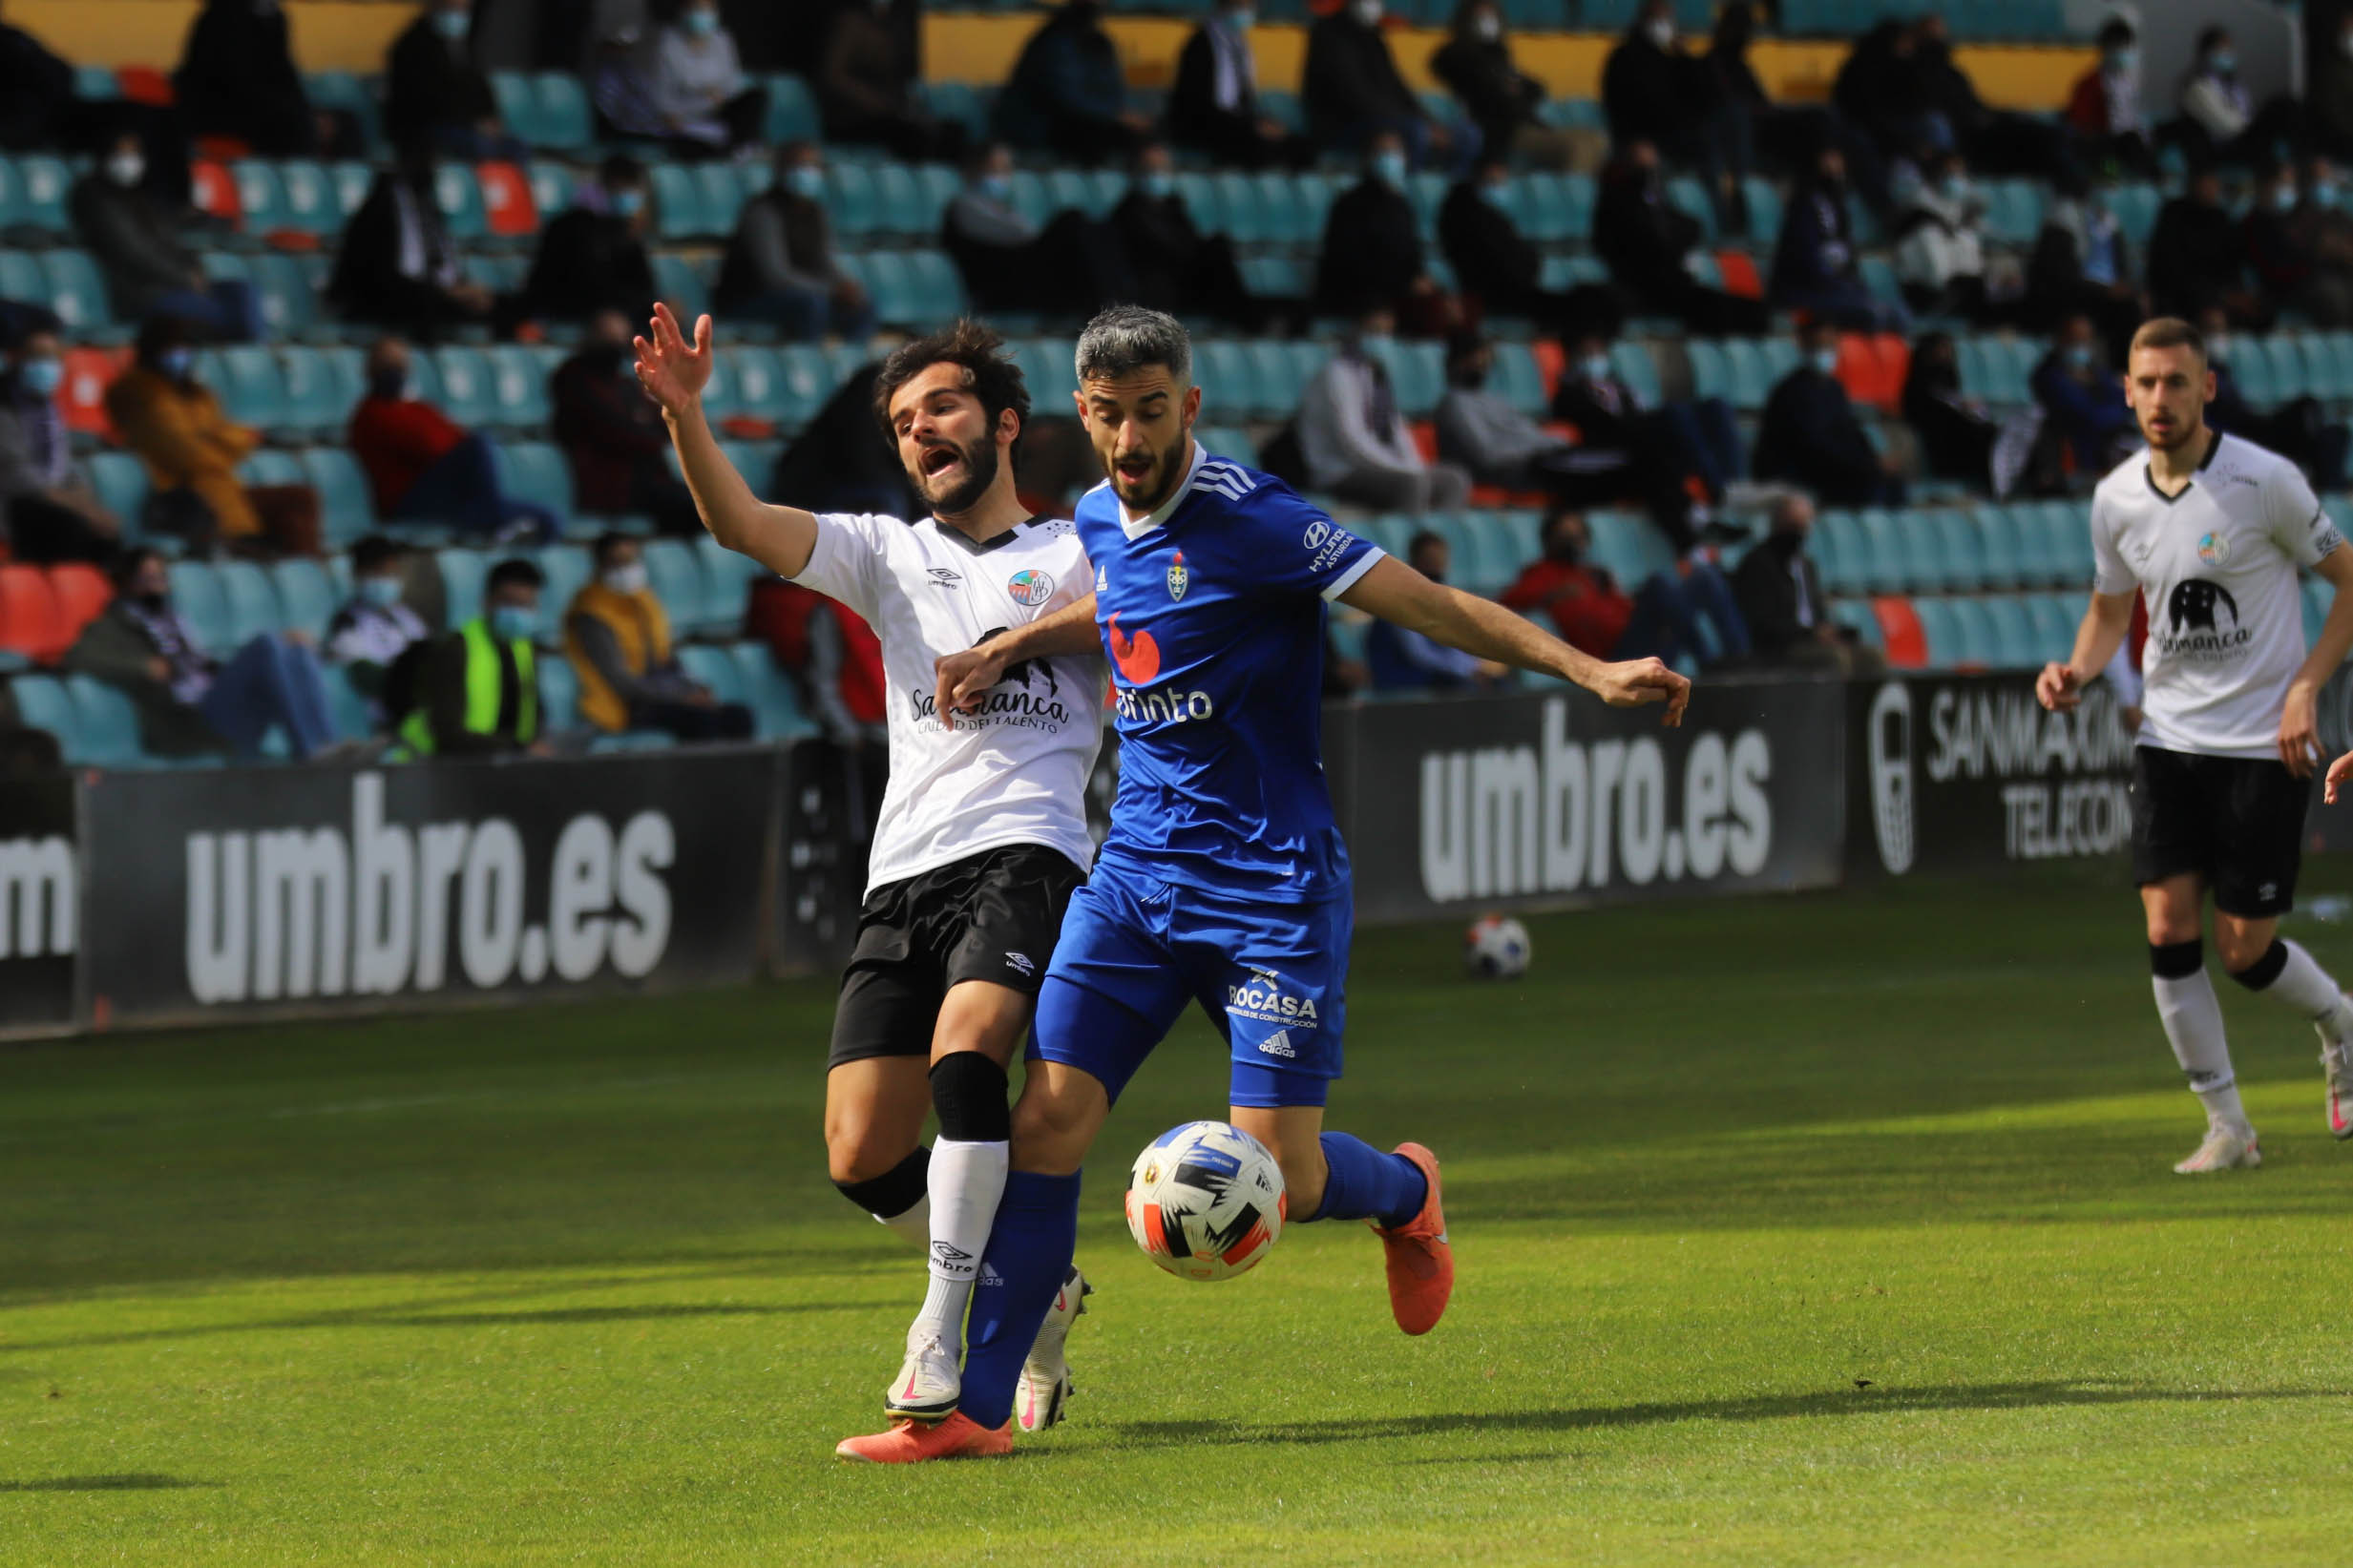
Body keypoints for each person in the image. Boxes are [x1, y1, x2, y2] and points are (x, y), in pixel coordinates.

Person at [860, 303, 1689, 1463]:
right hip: (1135, 881)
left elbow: (1427, 602)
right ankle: (974, 1411)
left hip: (1269, 889)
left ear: (1187, 405)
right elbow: (1118, 594)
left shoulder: (1262, 522)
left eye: (1151, 412)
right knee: (1043, 1121)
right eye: (1108, 417)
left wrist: (1587, 667)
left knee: (1285, 1179)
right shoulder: (1096, 513)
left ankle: (1402, 1191)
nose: (1129, 439)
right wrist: (1007, 645)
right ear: (1081, 418)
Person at [633, 304, 1112, 1445]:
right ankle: (1034, 1291)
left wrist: (1010, 644)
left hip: (1029, 847)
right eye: (902, 420)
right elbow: (741, 524)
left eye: (940, 406)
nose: (919, 430)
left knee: (967, 1054)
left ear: (1004, 423)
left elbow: (1151, 603)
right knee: (858, 1151)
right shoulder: (884, 551)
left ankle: (939, 1333)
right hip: (905, 871)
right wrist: (689, 415)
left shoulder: (1078, 548)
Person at [2036, 315, 2353, 1173]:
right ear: (2126, 391)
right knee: (2168, 925)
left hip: (2261, 747)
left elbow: (2348, 581)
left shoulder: (2264, 482)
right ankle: (2228, 1127)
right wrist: (2073, 669)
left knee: (2244, 948)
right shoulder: (2116, 499)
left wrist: (2304, 687)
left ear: (2207, 387)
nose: (2159, 399)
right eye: (2144, 383)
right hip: (2169, 742)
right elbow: (2109, 610)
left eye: (2176, 381)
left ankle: (2339, 1022)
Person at [66, 547, 342, 761]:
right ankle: (311, 752)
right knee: (267, 644)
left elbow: (202, 665)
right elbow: (77, 658)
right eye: (145, 578)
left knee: (297, 650)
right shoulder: (113, 625)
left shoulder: (175, 618)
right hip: (189, 721)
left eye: (160, 578)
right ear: (125, 583)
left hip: (215, 700)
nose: (155, 585)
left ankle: (328, 748)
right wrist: (141, 666)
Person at [107, 317, 321, 554]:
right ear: (152, 350)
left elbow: (233, 436)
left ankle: (305, 576)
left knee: (299, 500)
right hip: (184, 496)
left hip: (225, 490)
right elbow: (184, 452)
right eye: (172, 348)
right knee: (271, 529)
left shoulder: (196, 393)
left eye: (185, 347)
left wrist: (215, 442)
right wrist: (218, 445)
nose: (180, 354)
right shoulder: (142, 395)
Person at [350, 338, 558, 544]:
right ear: (368, 370)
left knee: (547, 518)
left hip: (455, 497)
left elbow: (453, 438)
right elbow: (431, 446)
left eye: (398, 364)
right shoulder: (368, 414)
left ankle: (492, 519)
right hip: (408, 500)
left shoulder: (419, 408)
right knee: (479, 446)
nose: (392, 371)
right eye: (385, 364)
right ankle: (492, 518)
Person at [1550, 334, 1744, 549]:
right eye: (1587, 354)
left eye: (1598, 353)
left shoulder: (1623, 388)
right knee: (1672, 418)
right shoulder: (1570, 394)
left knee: (1716, 406)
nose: (1594, 359)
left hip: (1648, 444)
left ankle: (1732, 485)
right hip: (1619, 446)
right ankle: (1716, 493)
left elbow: (1642, 410)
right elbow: (1606, 426)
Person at [1499, 508, 1750, 671]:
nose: (1574, 543)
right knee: (1658, 584)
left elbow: (1622, 612)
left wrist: (1620, 595)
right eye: (1565, 536)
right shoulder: (1542, 574)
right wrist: (1550, 595)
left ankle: (1739, 657)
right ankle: (1706, 661)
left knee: (1704, 575)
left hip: (1643, 646)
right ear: (1549, 540)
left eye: (1578, 536)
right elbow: (1508, 601)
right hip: (1614, 662)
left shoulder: (1594, 574)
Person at [71, 133, 263, 343]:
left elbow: (169, 240)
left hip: (173, 284)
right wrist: (183, 277)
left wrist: (193, 267)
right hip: (140, 291)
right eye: (123, 153)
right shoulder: (95, 196)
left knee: (239, 292)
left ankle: (247, 352)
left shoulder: (139, 196)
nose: (129, 160)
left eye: (134, 153)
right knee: (222, 315)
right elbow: (133, 252)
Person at [563, 532, 752, 743]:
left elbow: (665, 657)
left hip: (662, 693)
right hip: (627, 704)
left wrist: (694, 689)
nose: (627, 568)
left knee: (738, 715)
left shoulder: (644, 601)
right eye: (617, 562)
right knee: (700, 719)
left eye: (631, 560)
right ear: (600, 565)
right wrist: (681, 698)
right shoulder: (592, 613)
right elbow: (620, 680)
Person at [1590, 140, 1768, 338]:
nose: (1652, 161)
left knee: (1752, 312)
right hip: (1646, 288)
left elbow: (1683, 226)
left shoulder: (1652, 193)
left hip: (1672, 283)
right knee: (1722, 312)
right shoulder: (1618, 198)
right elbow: (1649, 239)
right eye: (1644, 158)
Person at [1297, 313, 1470, 513]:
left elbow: (1396, 430)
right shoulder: (1336, 375)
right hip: (1343, 471)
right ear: (1358, 332)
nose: (1382, 340)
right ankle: (1413, 540)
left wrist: (1413, 465)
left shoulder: (1376, 375)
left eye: (1387, 333)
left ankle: (1440, 540)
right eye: (1375, 332)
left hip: (1384, 466)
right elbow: (1353, 442)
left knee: (1454, 480)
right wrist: (1403, 468)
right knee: (1412, 483)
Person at [941, 143, 1135, 320]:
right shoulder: (963, 206)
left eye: (1006, 169)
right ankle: (1106, 307)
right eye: (994, 169)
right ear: (973, 170)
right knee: (1072, 221)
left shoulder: (1002, 207)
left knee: (1099, 230)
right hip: (1004, 287)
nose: (1002, 175)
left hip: (1026, 280)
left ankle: (1117, 302)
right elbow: (1019, 235)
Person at [1440, 157, 1625, 342]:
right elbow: (1498, 260)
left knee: (1595, 300)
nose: (1501, 184)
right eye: (1496, 178)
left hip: (1516, 290)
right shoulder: (1469, 214)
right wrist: (1527, 266)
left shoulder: (1482, 212)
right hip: (1499, 295)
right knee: (1587, 305)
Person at [553, 309, 699, 536]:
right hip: (609, 482)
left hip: (646, 476)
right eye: (609, 338)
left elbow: (663, 420)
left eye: (621, 338)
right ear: (591, 336)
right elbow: (613, 432)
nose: (616, 345)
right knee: (692, 506)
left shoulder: (623, 382)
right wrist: (648, 433)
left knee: (708, 500)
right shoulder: (573, 378)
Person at [1603, 0, 1744, 234]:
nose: (1666, 25)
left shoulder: (1670, 59)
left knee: (1722, 127)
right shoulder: (1624, 58)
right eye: (1660, 19)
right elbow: (1628, 107)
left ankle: (1727, 215)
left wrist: (1685, 58)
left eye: (1668, 19)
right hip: (1642, 138)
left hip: (1676, 137)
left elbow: (1705, 96)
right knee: (1703, 148)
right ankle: (1717, 226)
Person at [329, 146, 499, 340]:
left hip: (426, 293)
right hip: (382, 300)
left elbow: (443, 266)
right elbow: (384, 277)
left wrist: (462, 289)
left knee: (492, 304)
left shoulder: (427, 206)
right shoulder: (383, 207)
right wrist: (446, 293)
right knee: (428, 305)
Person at [715, 142, 875, 342]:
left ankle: (856, 365)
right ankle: (810, 364)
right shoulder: (763, 211)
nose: (807, 172)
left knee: (861, 305)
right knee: (812, 305)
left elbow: (825, 262)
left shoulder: (815, 212)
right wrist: (830, 290)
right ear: (781, 170)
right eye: (800, 166)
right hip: (749, 297)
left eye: (813, 166)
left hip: (804, 293)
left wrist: (843, 286)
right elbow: (776, 274)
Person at [396, 555, 549, 757]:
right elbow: (447, 732)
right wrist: (516, 748)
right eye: (509, 602)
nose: (517, 612)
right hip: (442, 766)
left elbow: (532, 711)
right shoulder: (456, 648)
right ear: (488, 602)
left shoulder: (524, 648)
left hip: (500, 764)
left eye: (526, 605)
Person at [1110, 142, 1265, 331]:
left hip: (1185, 281)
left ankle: (1246, 319)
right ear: (1135, 171)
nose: (1157, 175)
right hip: (1155, 288)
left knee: (1217, 246)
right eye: (1150, 168)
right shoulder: (1125, 214)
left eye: (1163, 168)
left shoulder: (1175, 209)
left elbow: (1190, 246)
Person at [0, 327, 118, 565]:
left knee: (108, 532)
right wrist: (81, 509)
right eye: (38, 356)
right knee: (72, 526)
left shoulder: (50, 408)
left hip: (49, 500)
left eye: (53, 357)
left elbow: (65, 469)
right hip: (14, 504)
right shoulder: (5, 407)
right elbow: (20, 477)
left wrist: (92, 508)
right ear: (18, 358)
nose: (48, 365)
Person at [1314, 134, 1455, 333]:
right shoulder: (1350, 204)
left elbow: (1411, 258)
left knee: (1455, 315)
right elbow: (1347, 262)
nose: (1390, 158)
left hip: (1397, 294)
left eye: (1395, 152)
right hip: (1360, 298)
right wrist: (1398, 287)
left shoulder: (1401, 205)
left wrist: (1429, 286)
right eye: (1382, 152)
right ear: (1368, 159)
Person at [1755, 320, 1903, 508]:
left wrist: (1873, 461)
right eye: (1818, 346)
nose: (1824, 353)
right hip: (1802, 472)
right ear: (1804, 345)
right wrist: (1864, 467)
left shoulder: (1834, 388)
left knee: (1893, 484)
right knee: (1867, 487)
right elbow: (1813, 446)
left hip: (1836, 468)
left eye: (1828, 346)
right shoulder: (1791, 392)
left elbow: (1849, 431)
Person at [2202, 308, 2351, 491]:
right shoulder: (2201, 376)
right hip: (2239, 436)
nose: (2219, 338)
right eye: (2213, 331)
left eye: (2221, 330)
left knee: (2329, 428)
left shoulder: (2217, 370)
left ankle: (2330, 494)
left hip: (2251, 428)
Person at [175, 0, 347, 158]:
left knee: (341, 122)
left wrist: (308, 111)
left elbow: (285, 74)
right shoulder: (223, 16)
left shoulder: (273, 15)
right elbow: (237, 80)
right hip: (224, 114)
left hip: (260, 108)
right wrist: (299, 114)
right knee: (296, 126)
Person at [994, 0, 1150, 168]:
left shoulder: (1100, 42)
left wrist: (1119, 116)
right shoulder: (1055, 39)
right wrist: (1113, 115)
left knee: (1146, 135)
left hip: (1086, 121)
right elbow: (1065, 98)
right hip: (1045, 127)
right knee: (1097, 137)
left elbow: (1113, 91)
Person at [1731, 493, 1873, 673]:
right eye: (1793, 527)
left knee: (1871, 655)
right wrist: (1809, 633)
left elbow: (1818, 613)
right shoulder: (1758, 564)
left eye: (1803, 527)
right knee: (1835, 658)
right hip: (1781, 648)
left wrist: (1830, 633)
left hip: (1813, 641)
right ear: (1778, 526)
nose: (1799, 534)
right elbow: (1764, 625)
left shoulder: (1807, 566)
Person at [1771, 145, 1906, 332]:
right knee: (1869, 315)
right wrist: (1840, 286)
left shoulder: (1838, 203)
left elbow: (1848, 257)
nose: (1836, 165)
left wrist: (1851, 285)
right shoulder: (1804, 203)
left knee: (1897, 316)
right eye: (1830, 158)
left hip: (1834, 289)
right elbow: (1806, 260)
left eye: (1838, 158)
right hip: (1804, 291)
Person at [1303, 0, 1453, 169]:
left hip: (1381, 117)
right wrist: (1402, 119)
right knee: (1413, 131)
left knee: (1461, 137)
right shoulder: (1328, 33)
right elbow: (1353, 92)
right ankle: (1407, 185)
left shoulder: (1373, 35)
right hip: (1342, 122)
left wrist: (1428, 121)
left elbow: (1397, 86)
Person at [813, 0, 964, 163]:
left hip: (890, 112)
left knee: (951, 131)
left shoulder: (896, 23)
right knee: (912, 133)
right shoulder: (849, 23)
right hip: (852, 116)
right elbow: (832, 76)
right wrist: (878, 103)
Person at [1169, 0, 1312, 172]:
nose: (1247, 13)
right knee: (1257, 144)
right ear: (1225, 7)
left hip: (1239, 121)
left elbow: (1247, 98)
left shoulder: (1240, 46)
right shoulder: (1201, 44)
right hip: (1208, 123)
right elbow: (1197, 103)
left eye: (1250, 7)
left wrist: (1262, 122)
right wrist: (1249, 124)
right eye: (1242, 7)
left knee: (1300, 146)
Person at [1429, 1, 1571, 171]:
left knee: (1595, 142)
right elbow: (1489, 90)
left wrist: (1512, 88)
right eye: (1482, 15)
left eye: (1492, 14)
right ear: (1466, 17)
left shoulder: (1499, 53)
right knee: (1574, 147)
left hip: (1523, 124)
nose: (1488, 19)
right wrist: (1506, 88)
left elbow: (1534, 87)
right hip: (1502, 132)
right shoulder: (1453, 54)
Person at [521, 154, 657, 326]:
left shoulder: (627, 232)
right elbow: (581, 285)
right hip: (572, 311)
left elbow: (640, 284)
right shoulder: (571, 228)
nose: (633, 199)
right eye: (627, 189)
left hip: (618, 310)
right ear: (610, 184)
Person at [1364, 532, 1509, 690]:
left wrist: (1475, 669)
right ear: (1415, 562)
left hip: (1439, 675)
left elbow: (1455, 647)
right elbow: (1419, 654)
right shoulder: (1400, 602)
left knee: (1499, 683)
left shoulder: (1442, 601)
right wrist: (1467, 672)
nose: (1436, 567)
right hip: (1409, 678)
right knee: (1463, 686)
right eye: (1430, 561)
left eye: (1440, 561)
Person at [386, 0, 524, 163]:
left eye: (464, 7)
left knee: (515, 147)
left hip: (464, 126)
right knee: (480, 146)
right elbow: (426, 99)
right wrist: (474, 123)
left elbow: (478, 86)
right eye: (454, 7)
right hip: (428, 129)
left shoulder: (461, 46)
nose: (460, 13)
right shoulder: (411, 46)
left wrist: (489, 116)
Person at [324, 534, 430, 727]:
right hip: (383, 722)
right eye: (378, 573)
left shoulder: (408, 618)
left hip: (419, 714)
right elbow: (365, 674)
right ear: (358, 574)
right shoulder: (348, 623)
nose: (386, 580)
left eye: (391, 574)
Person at [2025, 184, 2144, 347]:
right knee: (2126, 310)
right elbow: (2061, 280)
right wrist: (2103, 290)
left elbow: (2121, 268)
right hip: (2073, 298)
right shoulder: (2062, 223)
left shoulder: (2109, 222)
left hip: (2098, 294)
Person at [2172, 27, 2301, 174]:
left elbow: (2247, 112)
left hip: (2242, 135)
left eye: (2229, 49)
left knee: (2287, 108)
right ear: (2207, 52)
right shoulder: (2197, 87)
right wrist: (2253, 128)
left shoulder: (2234, 85)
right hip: (2222, 146)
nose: (2227, 54)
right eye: (2222, 49)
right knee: (2280, 107)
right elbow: (2223, 126)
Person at [646, 0, 766, 157]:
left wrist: (720, 95)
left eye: (707, 10)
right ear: (683, 11)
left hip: (718, 110)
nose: (703, 15)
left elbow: (732, 81)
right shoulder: (666, 43)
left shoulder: (722, 39)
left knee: (756, 97)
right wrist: (673, 113)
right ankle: (726, 150)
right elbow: (660, 89)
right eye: (697, 9)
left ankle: (737, 147)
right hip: (684, 117)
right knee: (688, 148)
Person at [2244, 158, 2353, 327]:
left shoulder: (2303, 214)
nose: (2289, 188)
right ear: (2266, 185)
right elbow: (2274, 267)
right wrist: (2317, 254)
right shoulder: (2255, 223)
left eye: (2291, 183)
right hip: (2288, 287)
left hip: (2322, 277)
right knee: (2333, 295)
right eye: (2284, 182)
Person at [2147, 169, 2260, 326]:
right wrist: (2218, 296)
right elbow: (2172, 269)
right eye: (2206, 183)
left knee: (2259, 311)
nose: (2210, 189)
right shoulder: (2173, 216)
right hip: (2182, 295)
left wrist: (2235, 293)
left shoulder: (2221, 218)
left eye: (2214, 184)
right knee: (2214, 319)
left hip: (2220, 293)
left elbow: (2232, 262)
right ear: (2193, 184)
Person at [2031, 314, 2136, 477]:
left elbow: (2125, 400)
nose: (2081, 346)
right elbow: (2088, 414)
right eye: (2075, 339)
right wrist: (2118, 414)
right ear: (2060, 339)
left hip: (2104, 452)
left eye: (2085, 340)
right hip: (2073, 457)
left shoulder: (2095, 372)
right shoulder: (2049, 376)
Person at [1892, 152, 1992, 321]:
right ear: (1937, 173)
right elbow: (1934, 273)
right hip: (1924, 290)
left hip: (1956, 288)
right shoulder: (1920, 209)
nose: (1955, 178)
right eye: (1950, 173)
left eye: (1959, 173)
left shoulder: (1958, 211)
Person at [1900, 330, 1996, 487]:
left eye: (1948, 348)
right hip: (1939, 430)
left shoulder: (1948, 374)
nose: (1947, 353)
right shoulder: (1918, 381)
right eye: (1942, 348)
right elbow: (1924, 409)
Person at [2066, 19, 2154, 178]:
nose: (2123, 52)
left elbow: (2135, 118)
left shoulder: (2130, 83)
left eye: (2126, 47)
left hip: (2127, 140)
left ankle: (2147, 178)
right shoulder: (2090, 84)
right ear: (2105, 49)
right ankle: (2110, 177)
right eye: (2118, 47)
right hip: (2103, 142)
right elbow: (2080, 123)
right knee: (2115, 146)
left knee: (2137, 140)